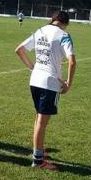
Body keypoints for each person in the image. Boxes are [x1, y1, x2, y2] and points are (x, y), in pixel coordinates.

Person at [15, 11, 76, 170]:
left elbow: (19, 50)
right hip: (49, 84)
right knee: (42, 122)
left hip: (34, 80)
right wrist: (68, 83)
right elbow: (72, 62)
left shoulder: (40, 30)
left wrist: (32, 68)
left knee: (38, 118)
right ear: (65, 23)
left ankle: (39, 150)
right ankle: (38, 160)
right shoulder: (63, 35)